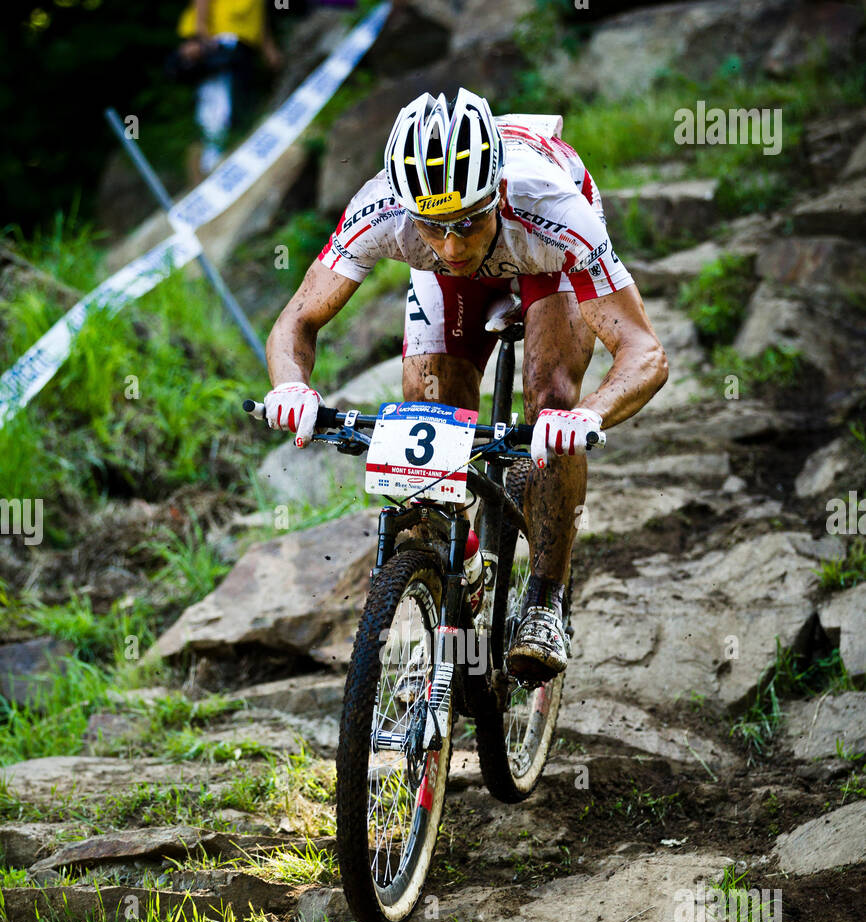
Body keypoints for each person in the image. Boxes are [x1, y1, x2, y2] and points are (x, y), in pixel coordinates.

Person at [264, 88, 668, 682]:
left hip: (542, 262)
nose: (452, 246)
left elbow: (644, 351)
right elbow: (298, 317)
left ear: (495, 192)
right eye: (434, 227)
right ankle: (460, 563)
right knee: (431, 419)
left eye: (468, 223)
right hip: (455, 286)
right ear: (409, 210)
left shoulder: (554, 208)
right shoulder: (383, 209)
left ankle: (546, 601)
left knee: (551, 402)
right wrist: (293, 387)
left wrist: (588, 417)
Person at [174, 0, 283, 180]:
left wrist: (268, 48)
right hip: (219, 41)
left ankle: (230, 161)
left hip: (244, 44)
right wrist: (201, 36)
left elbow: (258, 15)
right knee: (217, 108)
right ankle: (211, 168)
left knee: (239, 106)